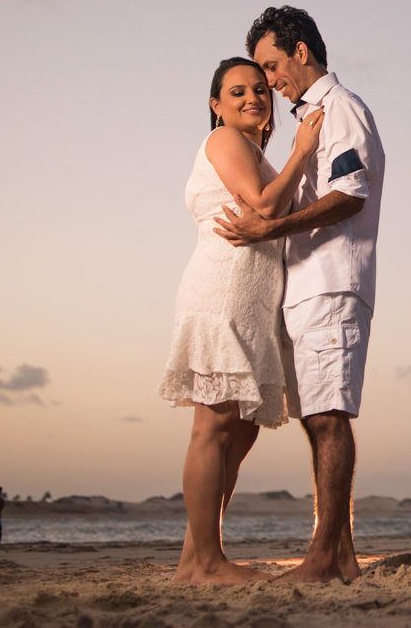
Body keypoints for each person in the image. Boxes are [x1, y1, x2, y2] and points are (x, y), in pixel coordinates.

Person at [214, 6, 385, 583]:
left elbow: (350, 194)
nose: (269, 82)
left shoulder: (340, 109)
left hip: (332, 284)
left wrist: (267, 230)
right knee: (318, 418)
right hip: (308, 289)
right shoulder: (311, 118)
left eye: (271, 66)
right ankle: (342, 556)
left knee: (329, 417)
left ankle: (321, 559)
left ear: (301, 51)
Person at [157, 56, 324, 585]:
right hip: (223, 291)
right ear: (216, 105)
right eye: (237, 92)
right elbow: (263, 207)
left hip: (254, 300)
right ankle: (206, 562)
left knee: (242, 430)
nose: (253, 97)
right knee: (213, 425)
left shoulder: (251, 150)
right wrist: (302, 152)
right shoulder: (227, 140)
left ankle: (194, 558)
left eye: (260, 89)